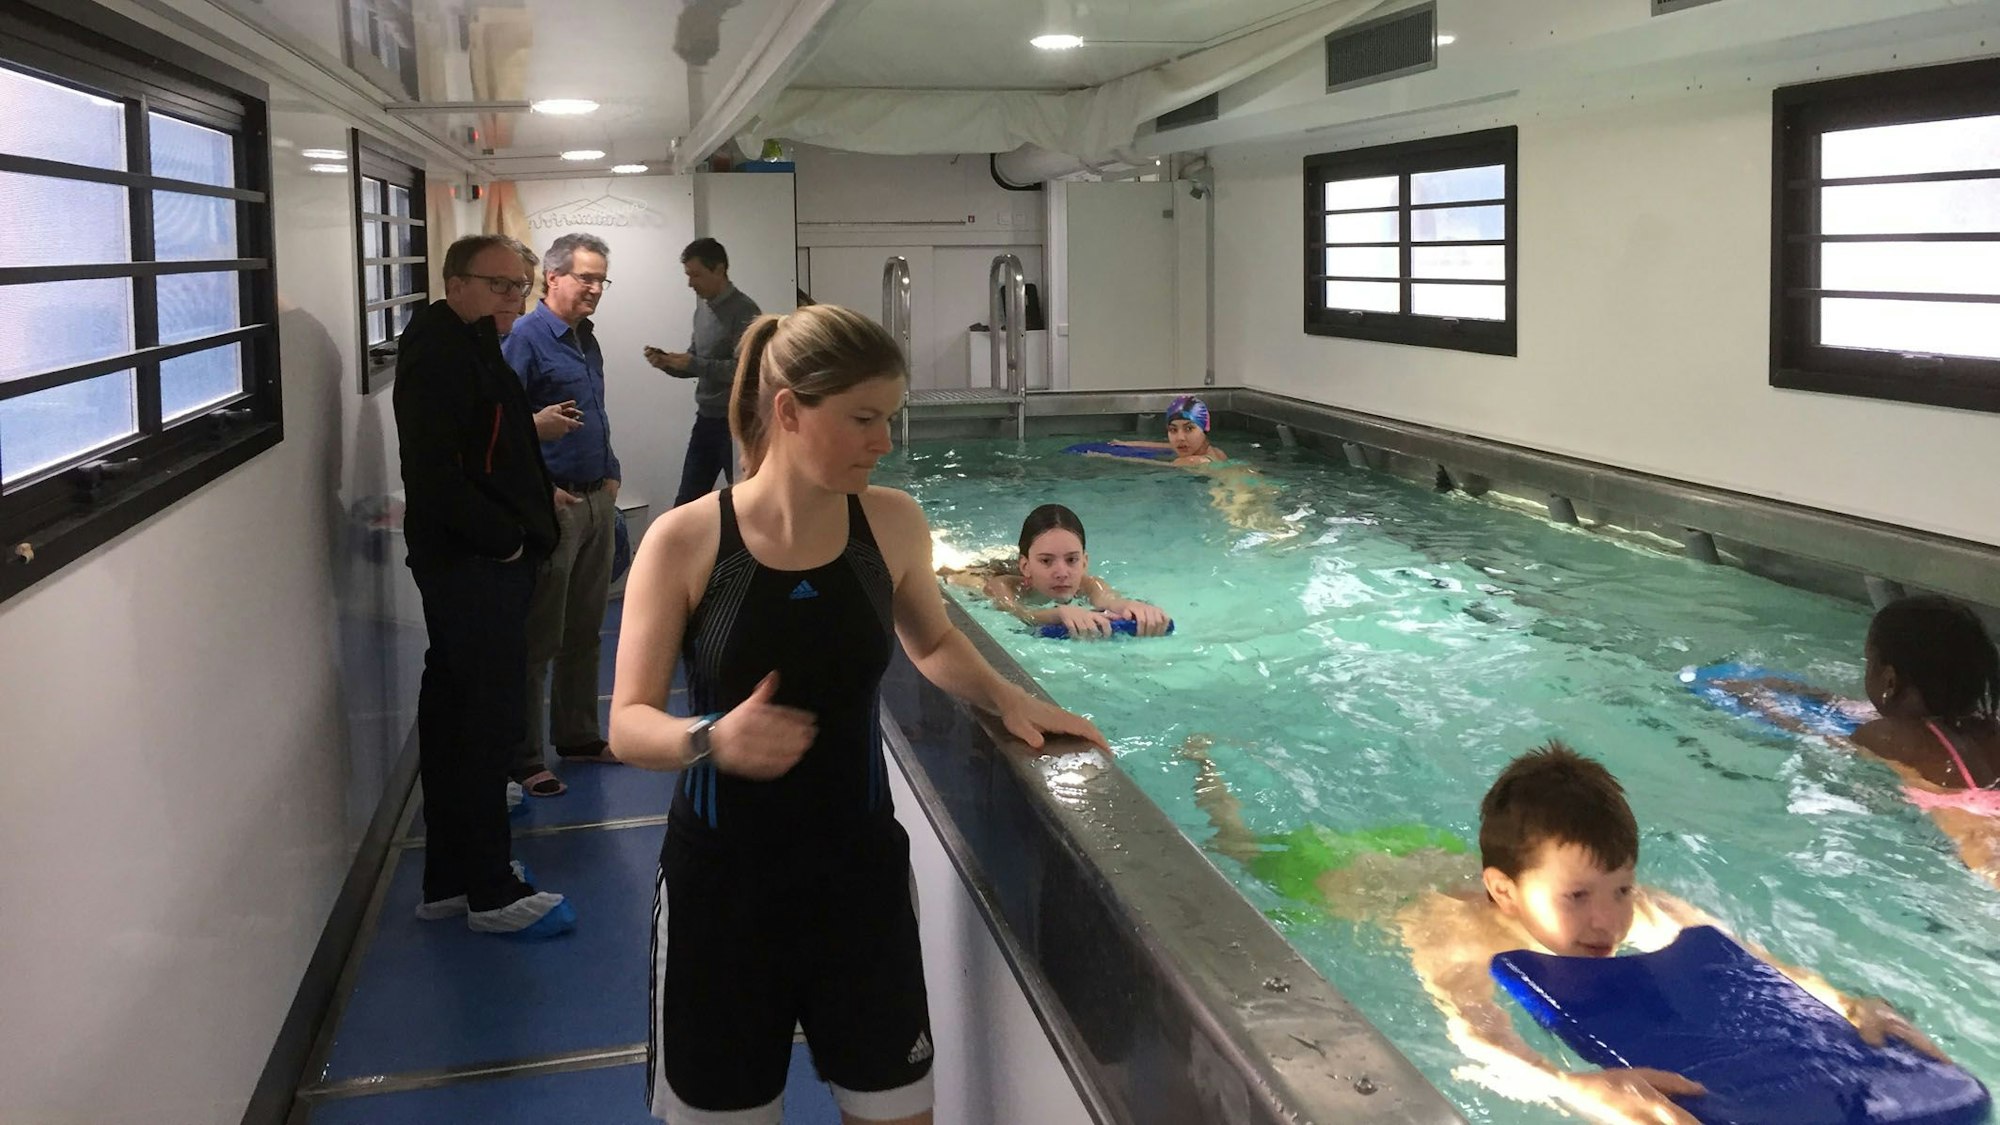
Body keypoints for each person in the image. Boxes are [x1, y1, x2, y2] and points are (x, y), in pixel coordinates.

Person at [608, 303, 1106, 1124]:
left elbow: (933, 639)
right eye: (865, 419)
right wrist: (711, 737)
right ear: (789, 411)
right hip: (723, 896)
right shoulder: (688, 540)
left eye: (891, 419)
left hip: (859, 882)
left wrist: (1012, 698)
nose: (885, 442)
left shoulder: (892, 523)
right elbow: (628, 721)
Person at [1182, 739, 1943, 1125]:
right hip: (1350, 879)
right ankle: (1208, 775)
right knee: (1246, 851)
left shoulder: (1622, 902)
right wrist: (1574, 1088)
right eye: (1580, 896)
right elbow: (1476, 1041)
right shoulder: (1457, 930)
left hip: (1481, 864)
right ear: (1504, 893)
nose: (1608, 919)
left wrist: (1850, 1005)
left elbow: (1744, 959)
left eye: (1620, 888)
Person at [390, 233, 573, 936]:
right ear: (456, 282)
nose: (513, 299)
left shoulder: (466, 340)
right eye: (500, 285)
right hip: (472, 569)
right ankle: (491, 892)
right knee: (482, 728)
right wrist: (506, 542)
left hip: (471, 565)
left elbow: (489, 450)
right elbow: (436, 476)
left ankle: (451, 880)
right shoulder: (440, 353)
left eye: (519, 287)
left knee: (456, 724)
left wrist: (530, 503)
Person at [1708, 594, 2000, 883]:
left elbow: (1813, 737)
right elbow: (1864, 712)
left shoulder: (1887, 736)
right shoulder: (1988, 727)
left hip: (1979, 861)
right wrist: (1804, 691)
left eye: (1868, 660)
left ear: (1888, 680)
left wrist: (1754, 701)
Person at [502, 232, 623, 798]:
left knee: (584, 631)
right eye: (586, 278)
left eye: (601, 279)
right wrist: (540, 487)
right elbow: (498, 429)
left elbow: (595, 412)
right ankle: (525, 758)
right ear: (553, 278)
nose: (596, 289)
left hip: (597, 498)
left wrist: (612, 471)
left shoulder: (585, 338)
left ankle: (578, 736)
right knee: (538, 638)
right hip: (557, 505)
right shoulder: (525, 340)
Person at [645, 237, 762, 508]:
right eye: (688, 275)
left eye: (695, 275)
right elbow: (697, 361)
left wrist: (692, 364)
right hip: (707, 421)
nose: (690, 283)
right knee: (686, 502)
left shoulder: (745, 311)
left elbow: (746, 370)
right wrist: (668, 364)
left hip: (737, 424)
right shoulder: (702, 310)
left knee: (745, 502)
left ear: (719, 269)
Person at [939, 503, 1170, 638]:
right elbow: (1019, 614)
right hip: (978, 577)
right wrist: (1058, 613)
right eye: (1047, 561)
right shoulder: (1002, 585)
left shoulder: (1089, 584)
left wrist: (1132, 607)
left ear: (1085, 562)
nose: (1062, 572)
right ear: (1025, 566)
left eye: (1072, 560)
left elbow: (1108, 600)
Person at [1104, 395, 1229, 465]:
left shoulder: (1189, 461)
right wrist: (1126, 445)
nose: (1180, 437)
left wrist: (1104, 456)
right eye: (1173, 430)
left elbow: (1148, 463)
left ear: (1205, 428)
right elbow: (1166, 446)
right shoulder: (1218, 453)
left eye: (1189, 428)